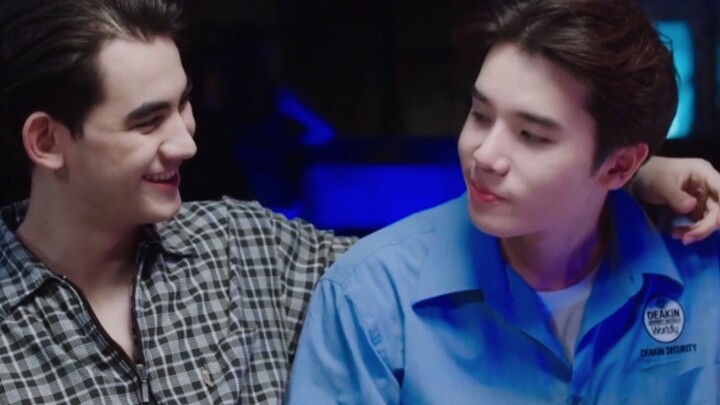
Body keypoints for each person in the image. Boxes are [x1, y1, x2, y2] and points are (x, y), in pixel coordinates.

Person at [0, 0, 716, 404]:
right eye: (148, 121)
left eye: (185, 105)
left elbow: (421, 266)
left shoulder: (238, 247)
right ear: (47, 141)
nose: (188, 141)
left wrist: (627, 179)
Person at [287, 0, 720, 403]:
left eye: (531, 135)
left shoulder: (703, 270)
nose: (484, 156)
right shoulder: (372, 297)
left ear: (620, 166)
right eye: (480, 115)